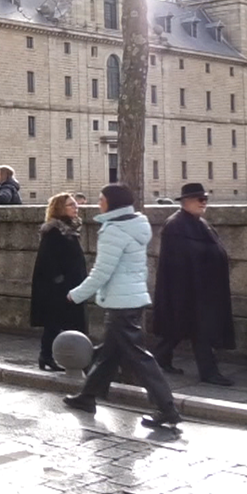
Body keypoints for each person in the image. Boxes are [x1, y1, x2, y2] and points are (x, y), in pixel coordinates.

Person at [63, 184, 182, 429]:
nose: (98, 203)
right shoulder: (136, 224)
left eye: (101, 199)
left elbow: (101, 272)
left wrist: (77, 294)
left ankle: (167, 408)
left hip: (121, 301)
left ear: (112, 203)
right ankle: (87, 397)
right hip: (132, 297)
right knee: (109, 354)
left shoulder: (114, 230)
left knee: (139, 356)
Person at [151, 183, 236, 386]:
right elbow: (178, 262)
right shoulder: (175, 225)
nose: (204, 203)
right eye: (200, 199)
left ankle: (159, 360)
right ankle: (209, 372)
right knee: (199, 331)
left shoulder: (201, 223)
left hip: (203, 288)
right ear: (186, 202)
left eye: (205, 199)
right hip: (188, 289)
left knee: (178, 330)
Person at [29, 193, 87, 371]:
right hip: (59, 287)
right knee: (55, 323)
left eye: (75, 205)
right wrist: (60, 282)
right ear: (60, 208)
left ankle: (53, 356)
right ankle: (47, 356)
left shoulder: (68, 229)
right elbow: (48, 261)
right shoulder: (54, 231)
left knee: (61, 323)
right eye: (71, 205)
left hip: (71, 284)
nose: (75, 208)